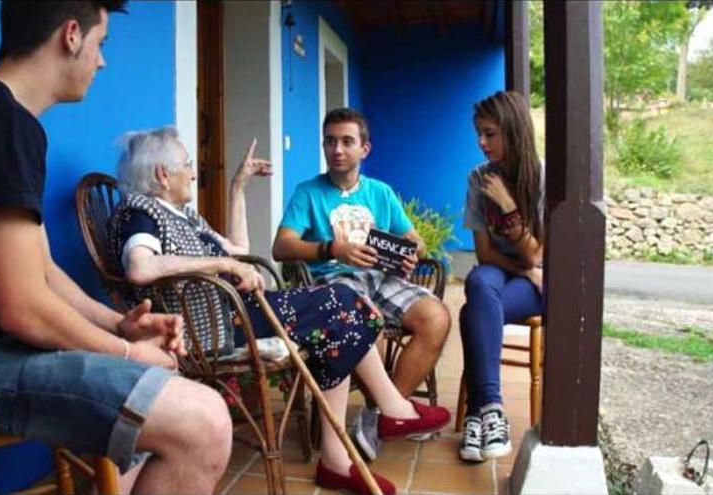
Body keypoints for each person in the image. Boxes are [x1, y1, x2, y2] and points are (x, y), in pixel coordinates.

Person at [0, 2, 233, 493]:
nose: (102, 61)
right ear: (72, 35)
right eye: (101, 43)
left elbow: (42, 270)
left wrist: (120, 325)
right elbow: (23, 309)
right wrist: (128, 355)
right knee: (205, 423)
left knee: (176, 398)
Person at [109, 127, 451, 495]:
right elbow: (140, 268)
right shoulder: (140, 213)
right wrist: (217, 265)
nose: (193, 173)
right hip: (214, 325)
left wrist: (238, 187)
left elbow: (238, 249)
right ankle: (389, 414)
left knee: (348, 318)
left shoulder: (182, 216)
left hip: (236, 309)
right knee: (343, 303)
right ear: (163, 175)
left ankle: (345, 454)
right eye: (188, 165)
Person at [271, 107, 451, 460]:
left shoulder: (381, 192)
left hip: (382, 277)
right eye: (330, 141)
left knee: (437, 317)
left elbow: (415, 239)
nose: (337, 149)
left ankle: (379, 415)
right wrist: (332, 248)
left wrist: (410, 252)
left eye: (347, 142)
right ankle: (392, 411)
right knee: (371, 326)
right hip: (334, 281)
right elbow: (281, 246)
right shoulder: (307, 193)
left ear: (364, 149)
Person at [458, 90, 544, 462]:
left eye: (490, 133)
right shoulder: (478, 178)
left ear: (513, 130)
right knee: (479, 283)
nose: (481, 142)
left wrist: (508, 208)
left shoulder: (542, 178)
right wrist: (526, 268)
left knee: (471, 312)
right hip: (506, 272)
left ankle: (478, 415)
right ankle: (492, 410)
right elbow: (484, 254)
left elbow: (538, 254)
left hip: (540, 284)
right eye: (479, 133)